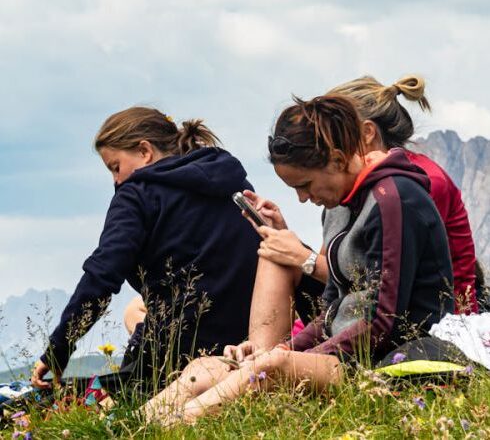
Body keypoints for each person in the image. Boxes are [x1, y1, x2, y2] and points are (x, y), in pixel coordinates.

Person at [142, 94, 454, 424]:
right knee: (205, 367)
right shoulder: (337, 207)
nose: (304, 198)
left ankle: (173, 427)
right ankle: (134, 423)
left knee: (269, 369)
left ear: (336, 159)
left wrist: (292, 358)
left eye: (305, 184)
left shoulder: (393, 199)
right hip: (342, 353)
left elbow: (383, 320)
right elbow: (332, 308)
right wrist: (287, 348)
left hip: (387, 357)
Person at [31, 107, 260, 389]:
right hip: (252, 337)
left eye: (116, 167)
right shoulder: (229, 178)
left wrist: (58, 349)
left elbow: (102, 275)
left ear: (144, 151)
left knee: (93, 397)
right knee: (134, 312)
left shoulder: (136, 194)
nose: (116, 180)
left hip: (182, 349)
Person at [246, 75, 477, 352]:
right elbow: (340, 273)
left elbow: (382, 284)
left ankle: (265, 365)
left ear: (365, 133)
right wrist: (294, 345)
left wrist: (303, 259)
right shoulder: (349, 195)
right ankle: (260, 355)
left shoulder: (409, 188)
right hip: (353, 316)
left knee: (285, 256)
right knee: (276, 252)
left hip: (426, 330)